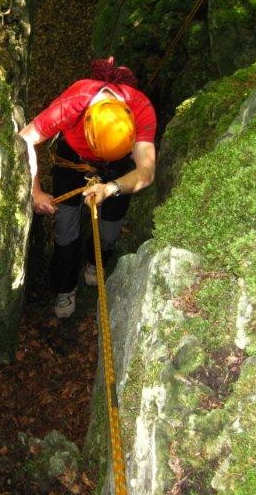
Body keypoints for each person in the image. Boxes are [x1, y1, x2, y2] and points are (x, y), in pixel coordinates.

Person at [18, 57, 157, 318]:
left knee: (110, 228)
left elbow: (146, 172)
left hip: (118, 170)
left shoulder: (141, 109)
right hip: (73, 162)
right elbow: (25, 139)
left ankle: (96, 262)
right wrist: (35, 191)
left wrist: (111, 188)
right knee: (65, 229)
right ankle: (65, 287)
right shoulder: (74, 102)